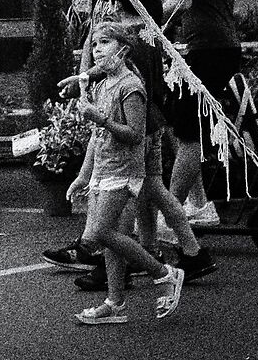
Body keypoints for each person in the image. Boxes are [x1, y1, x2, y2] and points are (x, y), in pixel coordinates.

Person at [65, 34, 183, 325]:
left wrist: (100, 119)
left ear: (124, 49)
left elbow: (135, 135)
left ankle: (164, 274)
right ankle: (114, 303)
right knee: (112, 239)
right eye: (94, 45)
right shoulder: (104, 85)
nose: (97, 50)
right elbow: (97, 137)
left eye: (104, 43)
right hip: (104, 170)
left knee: (101, 233)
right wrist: (83, 175)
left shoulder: (131, 87)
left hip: (124, 171)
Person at [162, 0, 242, 226]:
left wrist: (142, 14)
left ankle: (167, 217)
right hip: (221, 47)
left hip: (208, 50)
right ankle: (198, 204)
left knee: (188, 136)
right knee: (182, 123)